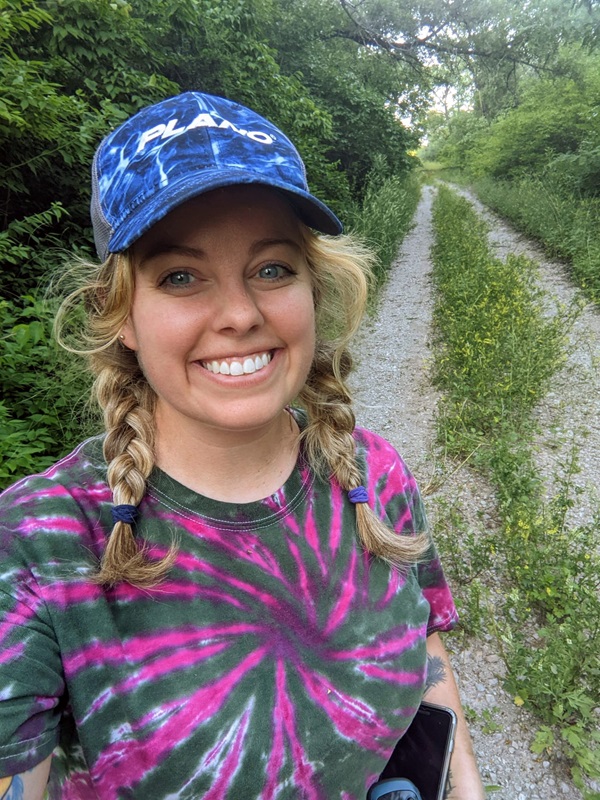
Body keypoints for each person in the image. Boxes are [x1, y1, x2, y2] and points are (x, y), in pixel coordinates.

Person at [0, 91, 484, 800]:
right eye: (181, 277)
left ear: (312, 287)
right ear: (123, 315)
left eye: (271, 268)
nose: (239, 314)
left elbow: (428, 655)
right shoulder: (39, 540)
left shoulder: (372, 472)